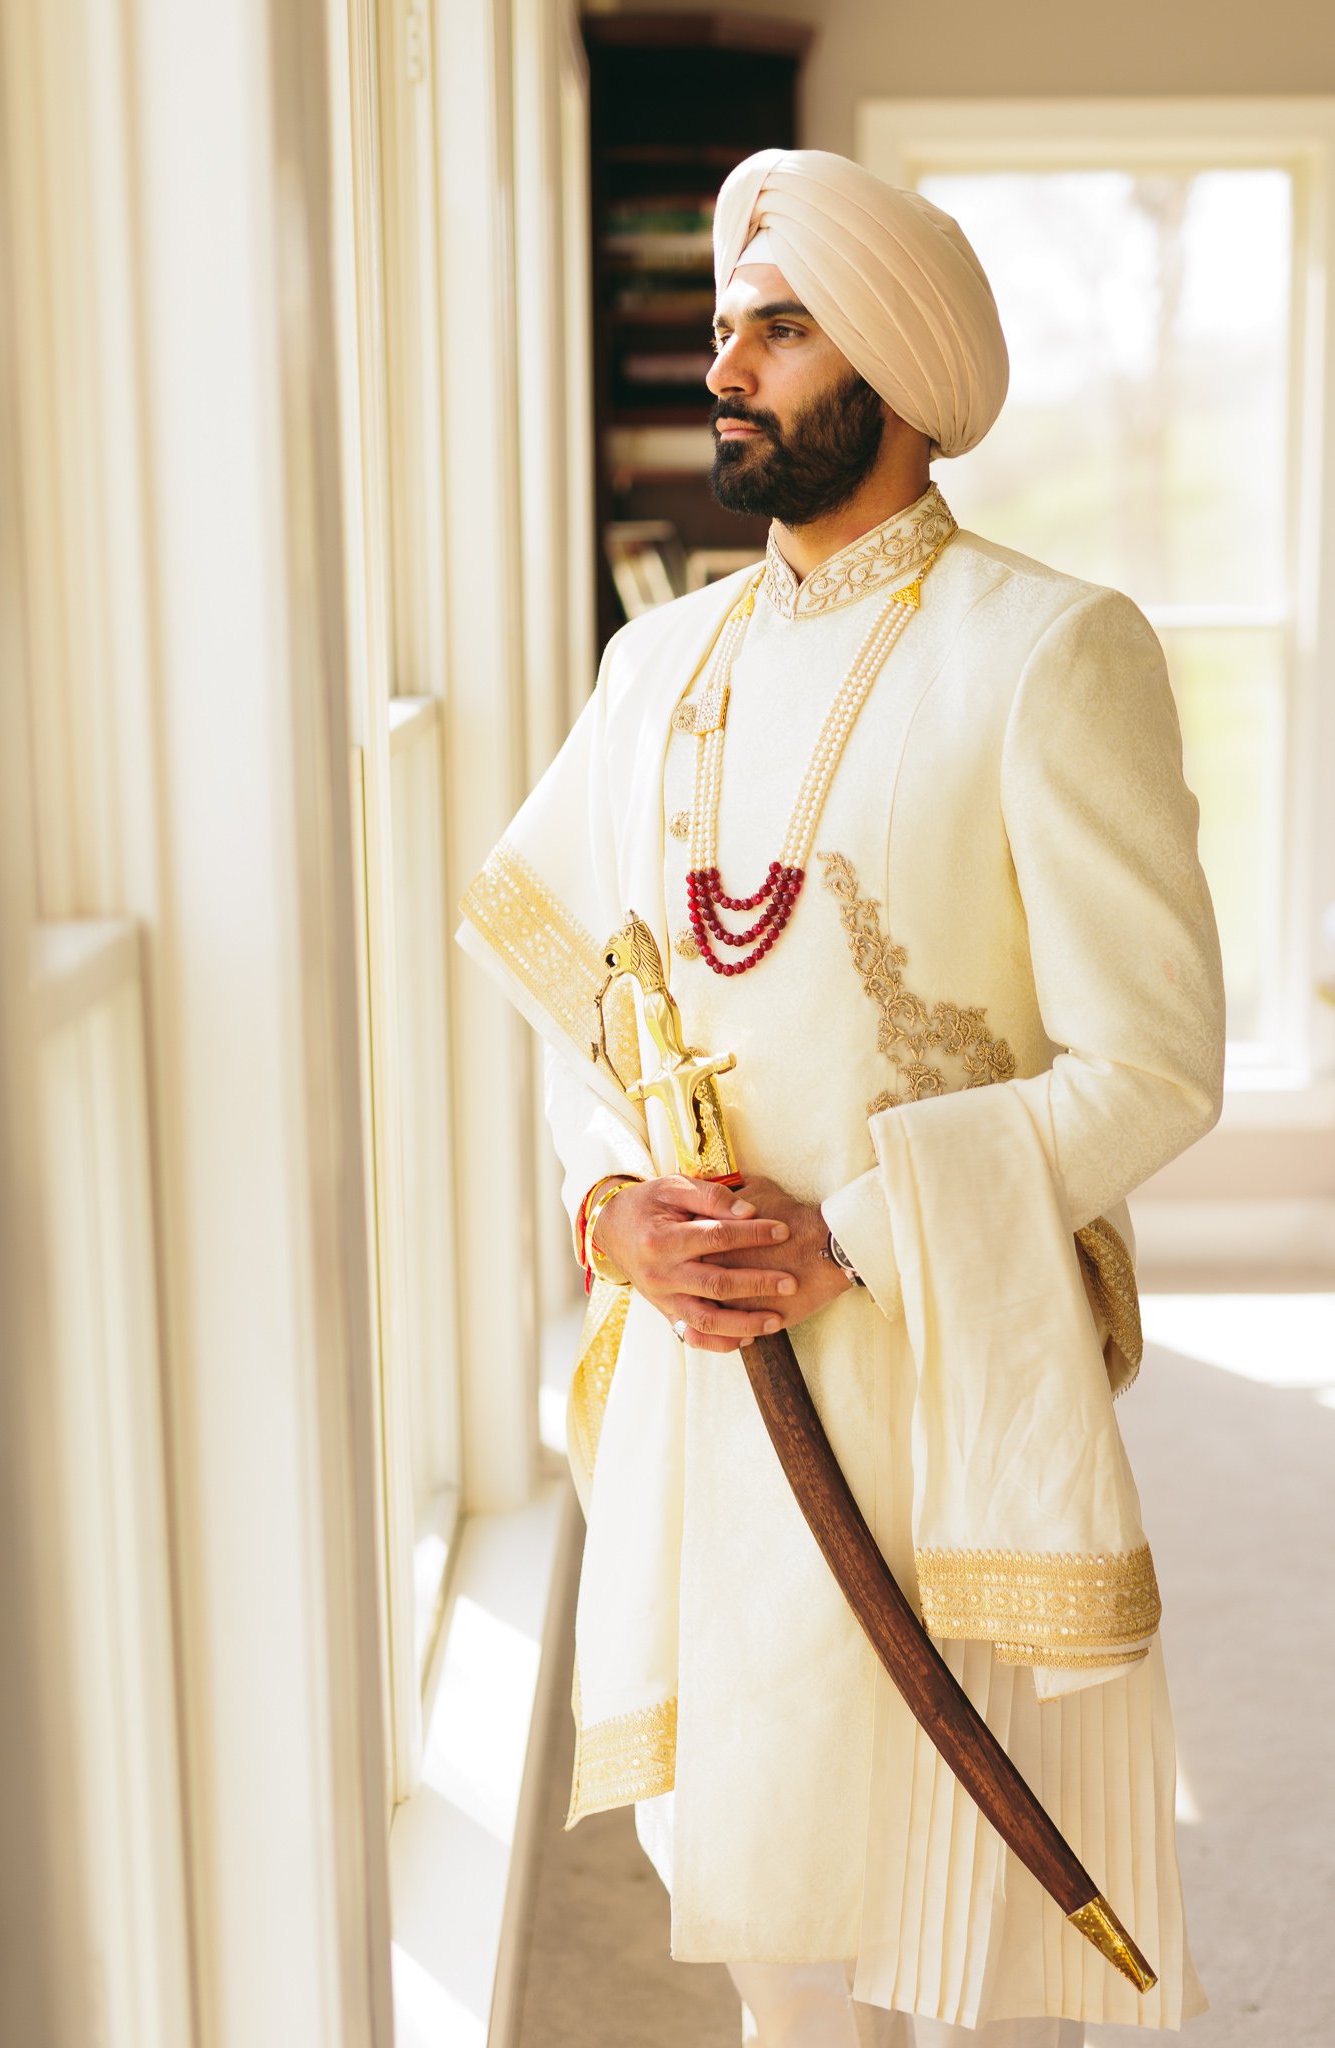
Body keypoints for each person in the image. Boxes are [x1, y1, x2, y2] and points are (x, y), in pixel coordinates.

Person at [457, 148, 1224, 2045]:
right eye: (722, 327)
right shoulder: (655, 669)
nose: (727, 367)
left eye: (777, 329)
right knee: (770, 1932)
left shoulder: (1050, 650)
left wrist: (855, 1240)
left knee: (949, 1928)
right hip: (713, 1393)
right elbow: (581, 1003)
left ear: (886, 359)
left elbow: (1153, 1064)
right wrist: (610, 1214)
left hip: (931, 1377)